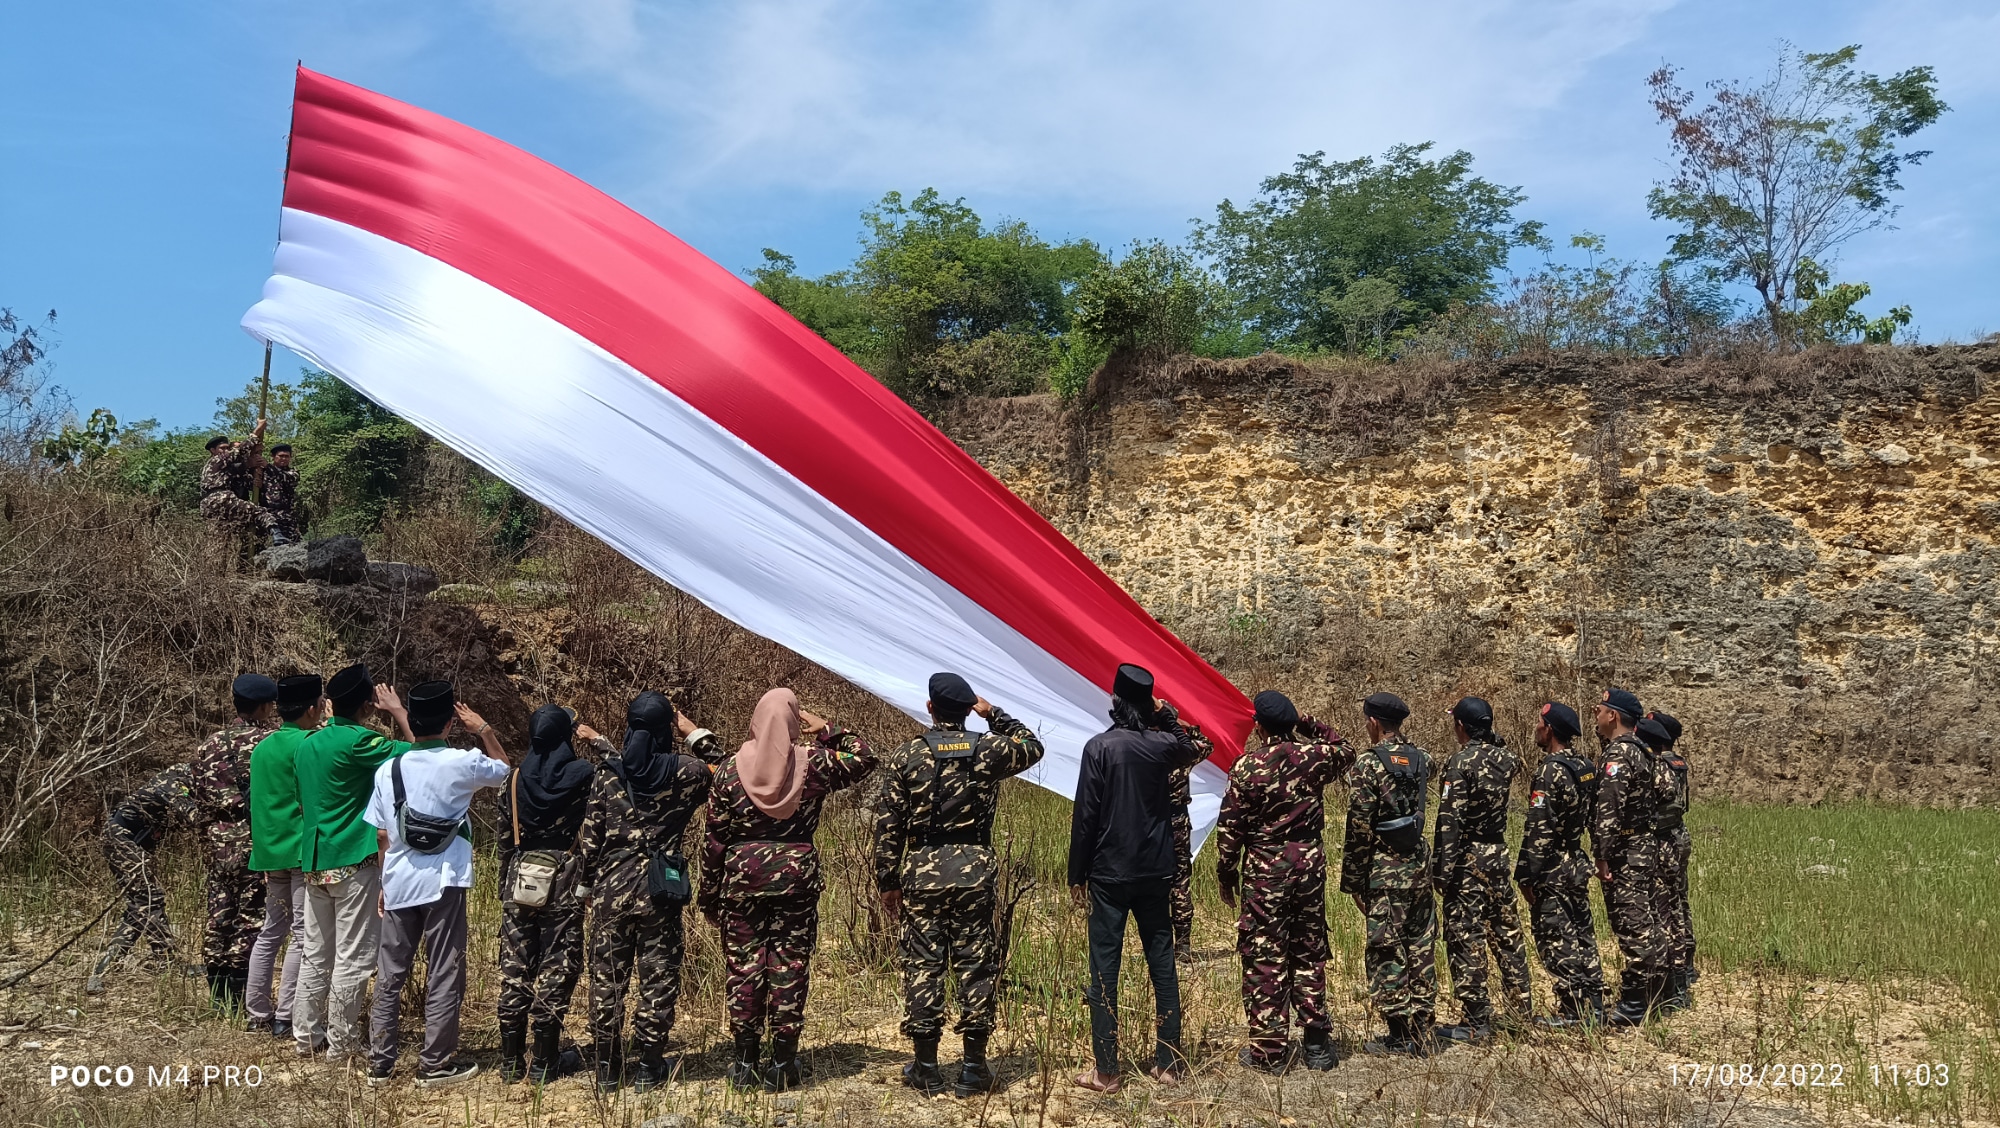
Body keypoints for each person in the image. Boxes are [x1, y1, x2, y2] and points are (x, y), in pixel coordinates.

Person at [874, 673, 1046, 1097]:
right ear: (968, 708)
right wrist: (994, 715)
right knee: (975, 964)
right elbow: (1032, 746)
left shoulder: (907, 755)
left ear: (930, 708)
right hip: (973, 870)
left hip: (920, 872)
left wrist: (887, 879)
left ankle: (927, 1067)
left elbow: (888, 827)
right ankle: (973, 1068)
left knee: (923, 965)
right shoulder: (989, 749)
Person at [699, 689, 876, 1093]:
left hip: (741, 882)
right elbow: (864, 757)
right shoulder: (812, 763)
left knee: (744, 966)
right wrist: (827, 728)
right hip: (796, 879)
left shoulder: (728, 770)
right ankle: (783, 1062)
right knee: (789, 963)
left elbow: (714, 841)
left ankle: (745, 1062)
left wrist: (710, 896)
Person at [363, 681, 511, 1088]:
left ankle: (380, 1062)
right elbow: (504, 771)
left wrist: (383, 882)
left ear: (413, 719)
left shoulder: (388, 769)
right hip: (444, 880)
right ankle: (434, 1064)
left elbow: (381, 836)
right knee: (444, 969)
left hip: (397, 881)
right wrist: (483, 729)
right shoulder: (462, 763)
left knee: (390, 973)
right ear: (450, 722)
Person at [1067, 663, 1205, 1094]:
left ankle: (1106, 1070)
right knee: (1162, 963)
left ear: (1114, 702)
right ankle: (1168, 1063)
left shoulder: (1100, 748)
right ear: (1147, 704)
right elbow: (1195, 746)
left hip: (1110, 872)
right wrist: (1166, 716)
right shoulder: (1164, 746)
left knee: (1104, 969)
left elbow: (1086, 815)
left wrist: (1077, 872)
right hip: (1156, 869)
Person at [575, 692, 717, 1093]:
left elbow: (590, 838)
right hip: (661, 892)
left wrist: (585, 885)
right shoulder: (688, 773)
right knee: (658, 979)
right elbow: (730, 772)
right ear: (663, 731)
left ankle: (607, 1071)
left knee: (607, 981)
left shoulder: (608, 775)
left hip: (610, 893)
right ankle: (650, 1069)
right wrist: (694, 734)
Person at [1212, 690, 1353, 1074]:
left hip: (1265, 873)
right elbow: (1345, 747)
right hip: (1308, 868)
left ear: (1258, 727)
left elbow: (1231, 831)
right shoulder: (1314, 757)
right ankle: (1317, 1047)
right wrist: (1307, 723)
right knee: (1309, 950)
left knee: (1265, 956)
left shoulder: (1247, 767)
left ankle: (1269, 1052)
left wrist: (1226, 876)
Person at [292, 663, 413, 1059]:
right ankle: (341, 1044)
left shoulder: (307, 743)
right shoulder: (361, 741)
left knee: (316, 951)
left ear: (328, 703)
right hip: (353, 861)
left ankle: (306, 1036)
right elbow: (418, 754)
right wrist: (396, 712)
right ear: (367, 704)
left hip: (313, 860)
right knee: (353, 957)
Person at [493, 705, 599, 1085]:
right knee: (559, 965)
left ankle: (509, 1062)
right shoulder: (584, 774)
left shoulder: (514, 778)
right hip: (566, 875)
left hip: (520, 876)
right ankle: (543, 1062)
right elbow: (594, 828)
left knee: (515, 968)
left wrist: (505, 880)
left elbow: (505, 837)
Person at [1341, 692, 1439, 1057]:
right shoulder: (1422, 759)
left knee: (1386, 950)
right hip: (1418, 868)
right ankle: (1423, 1028)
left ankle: (1400, 1034)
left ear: (1373, 723)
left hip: (1383, 872)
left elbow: (1360, 828)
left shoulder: (1367, 765)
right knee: (1421, 946)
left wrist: (1353, 881)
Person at [1432, 696, 1531, 1042]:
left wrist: (1442, 871)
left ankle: (1476, 1019)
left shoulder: (1460, 763)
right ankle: (1522, 1009)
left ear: (1460, 726)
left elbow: (1450, 821)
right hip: (1498, 853)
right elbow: (1503, 749)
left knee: (1465, 935)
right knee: (1507, 931)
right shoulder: (1507, 759)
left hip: (1468, 856)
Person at [190, 673, 279, 1015]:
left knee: (219, 915)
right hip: (253, 839)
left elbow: (199, 801)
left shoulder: (207, 746)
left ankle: (217, 996)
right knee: (251, 917)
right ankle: (241, 1001)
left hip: (218, 842)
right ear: (263, 706)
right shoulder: (268, 742)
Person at [1513, 702, 1606, 1028]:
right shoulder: (1584, 765)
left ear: (1549, 729)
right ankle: (1594, 1003)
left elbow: (1540, 827)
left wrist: (1526, 874)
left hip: (1552, 866)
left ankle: (1573, 1010)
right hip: (1575, 862)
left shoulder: (1550, 770)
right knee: (1582, 934)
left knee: (1556, 938)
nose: (1536, 727)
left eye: (1539, 722)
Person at [246, 674, 325, 1039]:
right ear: (312, 709)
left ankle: (256, 1011)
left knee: (270, 932)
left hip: (268, 849)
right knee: (302, 934)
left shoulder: (262, 746)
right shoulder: (308, 743)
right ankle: (287, 1013)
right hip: (299, 849)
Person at [1591, 688, 1670, 1027]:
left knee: (1632, 925)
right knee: (1647, 919)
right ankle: (1658, 991)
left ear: (1613, 716)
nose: (1595, 715)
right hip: (1643, 846)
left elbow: (1609, 808)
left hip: (1625, 851)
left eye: (1599, 709)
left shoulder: (1619, 754)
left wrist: (1602, 855)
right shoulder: (1644, 752)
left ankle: (1636, 1004)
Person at [87, 763, 198, 994]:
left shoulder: (185, 780)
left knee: (141, 902)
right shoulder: (176, 780)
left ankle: (108, 963)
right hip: (121, 838)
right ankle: (165, 960)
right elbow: (192, 815)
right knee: (148, 896)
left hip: (130, 841)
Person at [1639, 711, 1695, 1012]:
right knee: (1678, 902)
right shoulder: (1678, 762)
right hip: (1679, 834)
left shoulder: (1659, 765)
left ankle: (1674, 975)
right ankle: (1685, 964)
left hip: (1664, 838)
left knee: (1664, 907)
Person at [1167, 725, 1214, 965]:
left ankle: (1159, 943)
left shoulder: (1143, 748)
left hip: (1146, 824)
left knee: (1151, 883)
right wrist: (1183, 725)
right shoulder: (1181, 751)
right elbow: (1207, 743)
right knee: (1180, 883)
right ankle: (1183, 943)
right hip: (1177, 823)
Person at [199, 422, 287, 548]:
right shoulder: (217, 460)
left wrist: (255, 473)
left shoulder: (225, 468)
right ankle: (278, 536)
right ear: (213, 451)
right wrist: (258, 430)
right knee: (259, 512)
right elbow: (240, 450)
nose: (225, 451)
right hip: (220, 498)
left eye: (226, 448)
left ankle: (233, 563)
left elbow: (241, 472)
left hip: (209, 505)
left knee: (221, 539)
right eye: (222, 448)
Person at [263, 443, 302, 542]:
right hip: (267, 516)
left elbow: (283, 477)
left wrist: (267, 466)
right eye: (281, 456)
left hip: (286, 517)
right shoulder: (262, 472)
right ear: (273, 456)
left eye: (286, 456)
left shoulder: (293, 473)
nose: (284, 459)